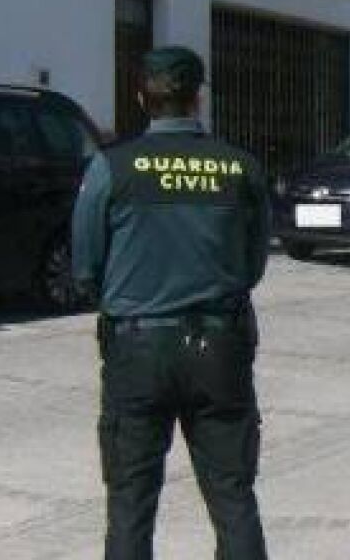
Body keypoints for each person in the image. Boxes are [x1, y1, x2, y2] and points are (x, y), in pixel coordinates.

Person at [72, 46, 271, 560]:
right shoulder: (240, 168)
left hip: (136, 348)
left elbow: (85, 265)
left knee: (130, 504)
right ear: (197, 99)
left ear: (142, 98)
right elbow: (253, 265)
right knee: (232, 497)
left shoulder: (111, 167)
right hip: (218, 346)